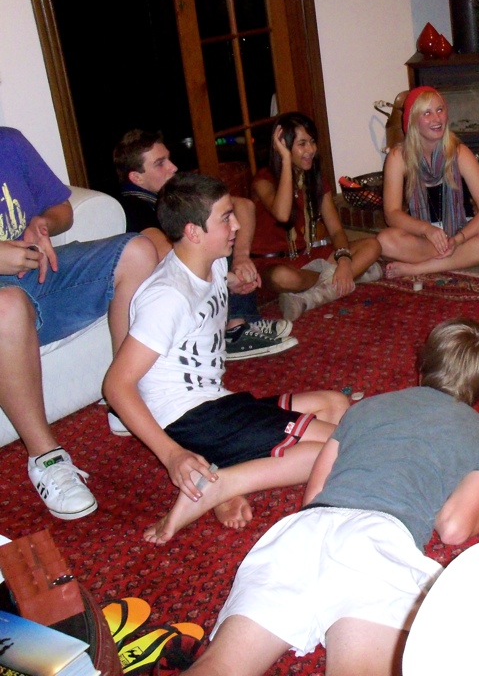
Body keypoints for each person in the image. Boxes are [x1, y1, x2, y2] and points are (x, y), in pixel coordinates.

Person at [181, 317, 479, 676]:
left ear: (423, 364)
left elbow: (314, 494)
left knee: (220, 666)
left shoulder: (366, 407)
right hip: (378, 544)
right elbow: (454, 529)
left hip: (302, 535)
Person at [102, 173, 349, 544]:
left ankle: (225, 463)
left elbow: (211, 289)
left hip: (218, 403)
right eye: (225, 218)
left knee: (335, 405)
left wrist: (235, 282)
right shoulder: (166, 297)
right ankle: (222, 484)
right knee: (339, 448)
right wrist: (172, 456)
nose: (235, 225)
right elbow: (116, 385)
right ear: (193, 231)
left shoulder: (212, 262)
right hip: (190, 419)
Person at [0, 126, 157, 519]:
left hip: (38, 275)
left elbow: (63, 209)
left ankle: (123, 397)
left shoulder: (9, 142)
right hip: (5, 302)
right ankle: (46, 458)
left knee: (138, 250)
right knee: (7, 306)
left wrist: (42, 224)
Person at [112, 129, 295, 363]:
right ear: (136, 178)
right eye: (160, 163)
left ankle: (243, 321)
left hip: (195, 280)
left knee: (220, 231)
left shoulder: (171, 195)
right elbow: (168, 255)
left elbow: (244, 206)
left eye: (169, 159)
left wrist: (241, 258)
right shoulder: (132, 205)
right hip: (168, 289)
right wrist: (228, 279)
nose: (173, 167)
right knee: (211, 240)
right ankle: (234, 329)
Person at [250, 112, 382, 322]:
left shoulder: (315, 180)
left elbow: (336, 230)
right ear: (284, 147)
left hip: (308, 257)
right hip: (274, 264)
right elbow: (283, 214)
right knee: (283, 277)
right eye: (302, 144)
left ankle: (313, 296)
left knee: (373, 246)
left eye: (312, 142)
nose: (310, 150)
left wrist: (344, 260)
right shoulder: (264, 180)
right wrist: (285, 161)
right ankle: (350, 277)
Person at [377, 87, 479, 281]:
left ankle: (418, 268)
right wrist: (426, 230)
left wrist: (458, 239)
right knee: (385, 241)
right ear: (412, 121)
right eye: (427, 113)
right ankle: (466, 258)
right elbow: (391, 214)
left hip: (461, 234)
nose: (436, 119)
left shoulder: (460, 153)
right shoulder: (398, 157)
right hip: (423, 238)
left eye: (440, 110)